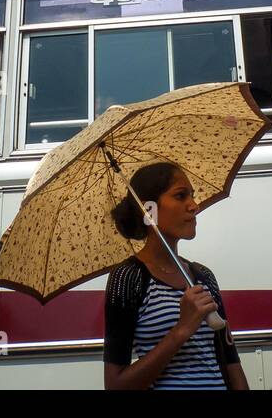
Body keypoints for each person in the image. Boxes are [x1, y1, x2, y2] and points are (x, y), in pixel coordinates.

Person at [103, 162, 248, 390]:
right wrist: (182, 329)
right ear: (149, 210)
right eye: (181, 196)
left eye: (192, 195)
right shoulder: (128, 278)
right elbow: (116, 385)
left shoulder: (203, 276)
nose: (194, 206)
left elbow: (230, 361)